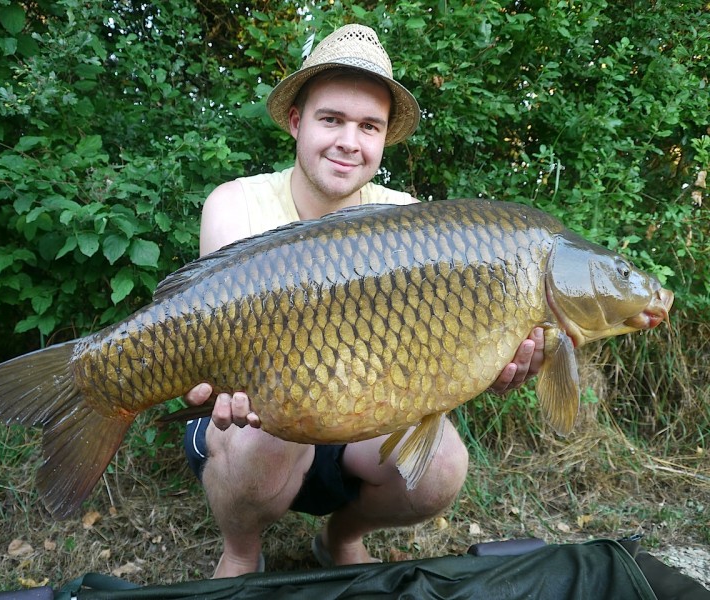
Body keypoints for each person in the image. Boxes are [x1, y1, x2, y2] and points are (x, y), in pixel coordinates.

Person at [182, 24, 545, 579]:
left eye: (368, 126)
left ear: (383, 140)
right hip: (259, 417)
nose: (350, 141)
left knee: (441, 468)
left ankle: (341, 536)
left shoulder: (410, 218)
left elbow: (433, 357)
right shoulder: (234, 205)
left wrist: (485, 363)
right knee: (260, 437)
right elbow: (222, 351)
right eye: (332, 119)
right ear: (297, 121)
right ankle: (241, 551)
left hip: (365, 412)